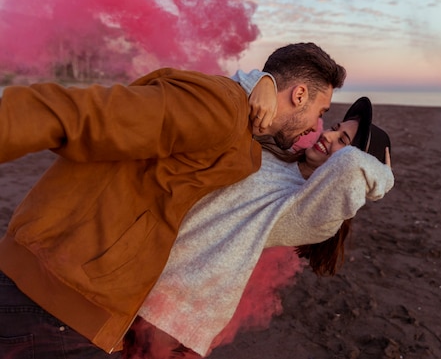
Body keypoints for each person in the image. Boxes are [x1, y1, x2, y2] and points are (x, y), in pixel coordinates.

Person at [0, 42, 345, 358]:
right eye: (321, 109)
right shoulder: (221, 107)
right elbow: (88, 115)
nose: (318, 124)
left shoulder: (242, 131)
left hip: (74, 300)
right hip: (52, 297)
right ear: (300, 94)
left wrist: (262, 80)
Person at [123, 97, 394, 358]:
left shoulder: (308, 214)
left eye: (343, 141)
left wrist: (382, 175)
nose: (329, 135)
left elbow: (350, 166)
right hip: (146, 278)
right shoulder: (282, 156)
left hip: (179, 314)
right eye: (335, 128)